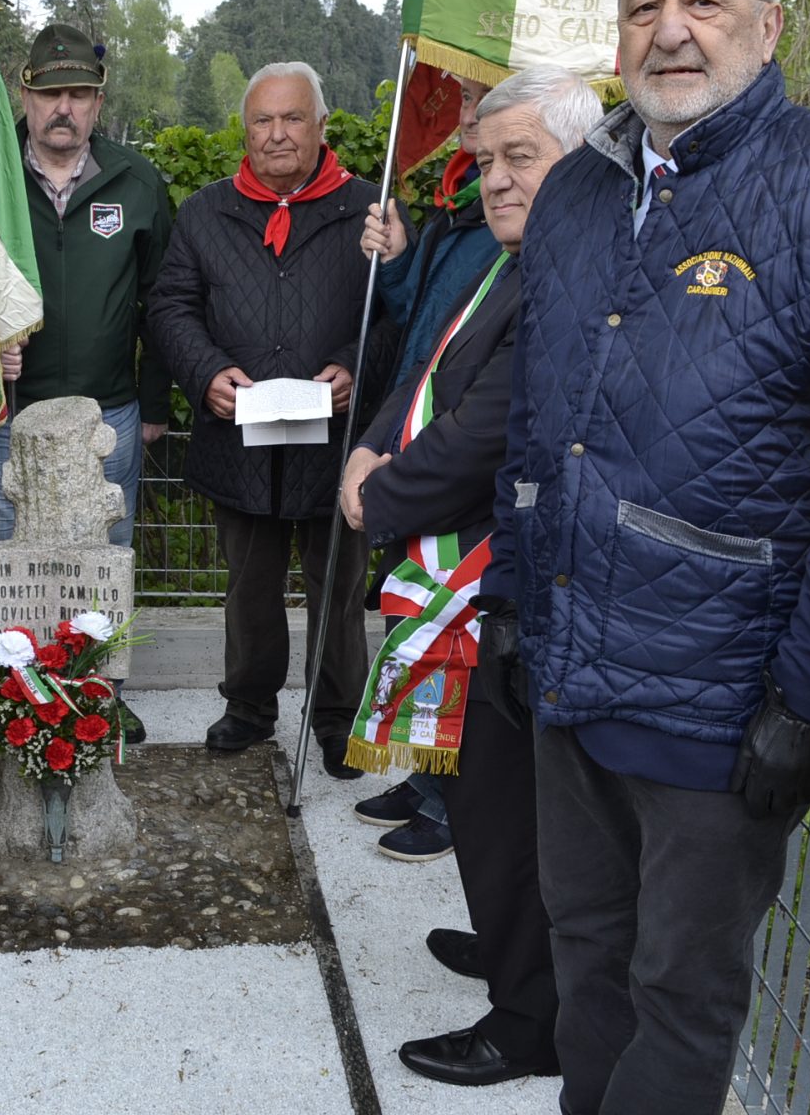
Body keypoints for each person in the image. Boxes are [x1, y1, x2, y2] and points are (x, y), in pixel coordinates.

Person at [484, 0, 810, 1114]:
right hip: (571, 679)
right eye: (643, 6)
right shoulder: (582, 186)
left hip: (721, 707)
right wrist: (519, 610)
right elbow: (538, 421)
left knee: (682, 1000)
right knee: (585, 959)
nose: (671, 29)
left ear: (769, 23)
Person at [343, 65, 604, 1087]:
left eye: (520, 158)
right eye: (486, 161)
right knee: (487, 797)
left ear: (580, 163)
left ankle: (527, 1017)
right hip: (481, 583)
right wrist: (368, 451)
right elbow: (428, 372)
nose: (494, 180)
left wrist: (382, 494)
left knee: (513, 811)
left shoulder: (572, 274)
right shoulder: (507, 259)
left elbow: (486, 426)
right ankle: (507, 952)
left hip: (519, 583)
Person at [148, 61, 390, 779]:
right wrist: (204, 372)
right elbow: (169, 305)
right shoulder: (205, 211)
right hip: (239, 442)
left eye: (292, 119)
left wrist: (357, 364)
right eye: (263, 120)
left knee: (338, 591)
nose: (277, 133)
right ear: (245, 130)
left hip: (338, 444)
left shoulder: (371, 212)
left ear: (322, 126)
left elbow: (400, 311)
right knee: (248, 585)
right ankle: (250, 707)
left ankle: (340, 715)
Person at [0, 22, 173, 741]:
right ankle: (14, 696)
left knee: (99, 555)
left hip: (106, 410)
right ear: (25, 93)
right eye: (50, 94)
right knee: (12, 549)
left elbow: (163, 302)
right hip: (8, 414)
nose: (64, 110)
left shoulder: (135, 183)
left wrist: (156, 404)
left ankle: (101, 692)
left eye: (80, 95)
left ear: (99, 102)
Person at [348, 73, 500, 863]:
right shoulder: (458, 200)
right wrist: (403, 262)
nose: (465, 113)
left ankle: (449, 798)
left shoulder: (501, 215)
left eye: (483, 98)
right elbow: (422, 324)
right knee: (416, 612)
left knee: (448, 619)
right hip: (416, 424)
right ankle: (423, 767)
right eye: (465, 101)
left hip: (454, 446)